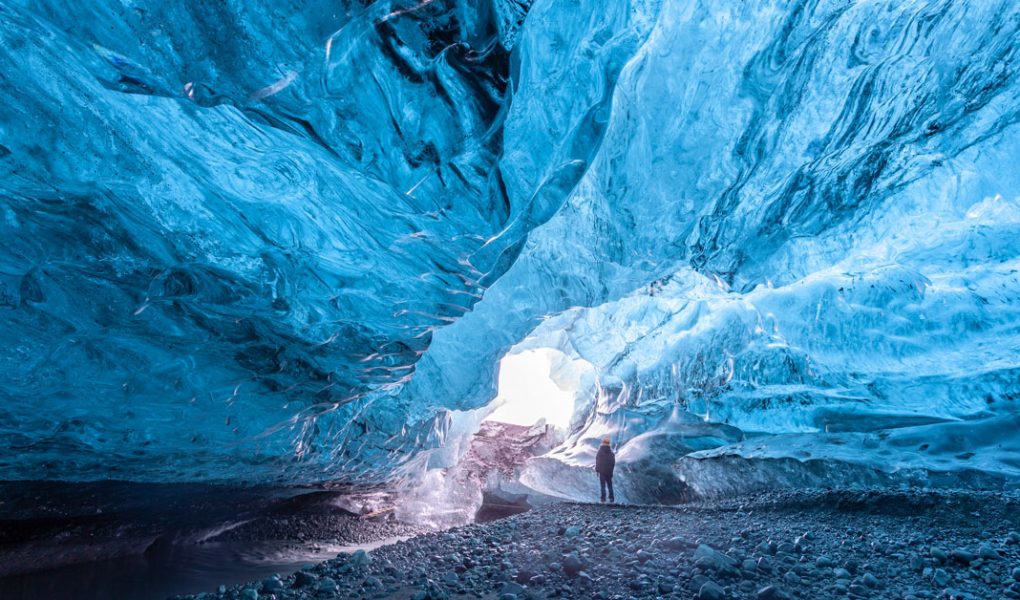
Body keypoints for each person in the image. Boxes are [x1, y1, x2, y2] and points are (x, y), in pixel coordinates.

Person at [594, 436, 615, 503]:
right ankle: (611, 498)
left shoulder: (600, 452)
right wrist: (611, 471)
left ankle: (603, 499)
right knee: (610, 485)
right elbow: (613, 463)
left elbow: (598, 461)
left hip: (602, 471)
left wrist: (597, 470)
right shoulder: (611, 453)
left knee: (602, 485)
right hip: (609, 472)